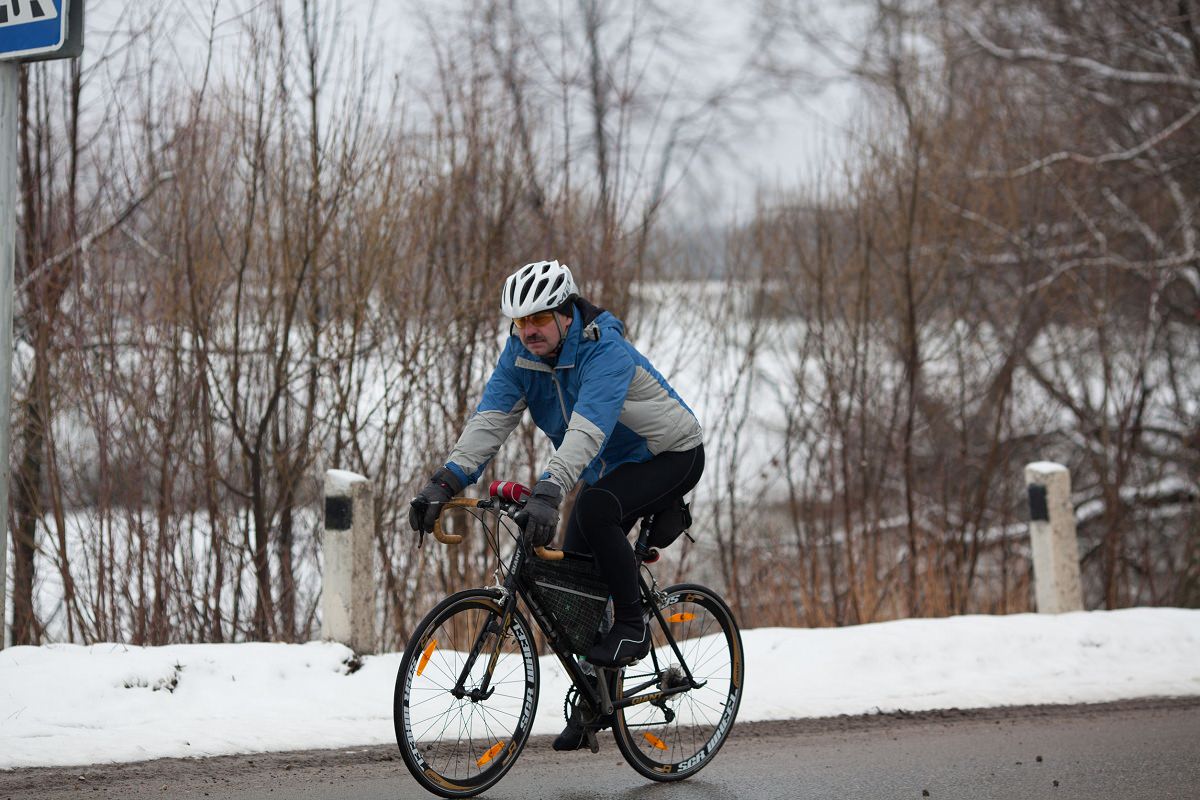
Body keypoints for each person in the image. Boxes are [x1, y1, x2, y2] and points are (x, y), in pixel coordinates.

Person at [408, 259, 704, 750]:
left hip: (670, 454)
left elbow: (588, 429)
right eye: (520, 322)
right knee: (575, 587)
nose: (528, 331)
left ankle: (633, 627)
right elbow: (491, 420)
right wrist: (444, 483)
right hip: (607, 470)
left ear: (566, 314)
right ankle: (596, 702)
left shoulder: (604, 351)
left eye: (539, 319)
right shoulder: (520, 357)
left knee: (595, 511)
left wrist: (550, 489)